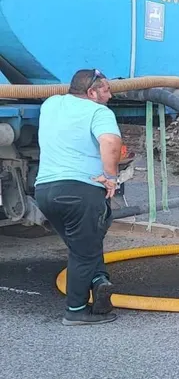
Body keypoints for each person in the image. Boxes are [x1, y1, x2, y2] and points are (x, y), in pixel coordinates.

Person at [34, 68, 122, 326]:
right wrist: (110, 176)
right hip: (80, 191)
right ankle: (76, 311)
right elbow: (110, 143)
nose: (110, 94)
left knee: (84, 242)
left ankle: (99, 280)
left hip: (45, 191)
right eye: (105, 89)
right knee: (82, 253)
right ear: (91, 93)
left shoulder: (51, 104)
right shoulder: (99, 112)